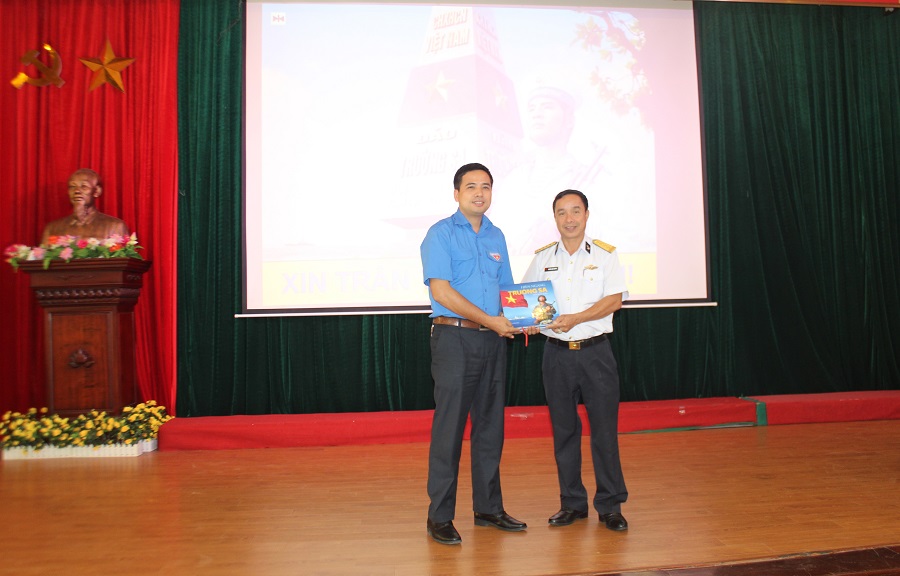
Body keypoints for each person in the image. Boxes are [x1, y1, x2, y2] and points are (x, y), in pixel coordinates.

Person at [420, 162, 527, 545]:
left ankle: (488, 509)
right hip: (455, 339)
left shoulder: (496, 235)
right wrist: (491, 320)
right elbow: (442, 292)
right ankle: (440, 516)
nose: (479, 193)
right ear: (456, 193)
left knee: (490, 428)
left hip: (493, 341)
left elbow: (508, 291)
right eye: (471, 187)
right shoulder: (441, 234)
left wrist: (526, 318)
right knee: (449, 430)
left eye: (486, 186)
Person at [521, 189, 630, 532]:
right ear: (554, 218)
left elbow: (614, 300)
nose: (569, 219)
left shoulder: (605, 255)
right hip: (556, 356)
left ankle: (610, 506)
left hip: (596, 353)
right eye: (562, 212)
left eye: (575, 211)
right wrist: (528, 322)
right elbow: (525, 302)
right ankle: (572, 503)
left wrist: (577, 319)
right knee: (564, 431)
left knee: (604, 433)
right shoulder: (542, 258)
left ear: (586, 215)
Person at [40, 168, 129, 245]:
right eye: (72, 186)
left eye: (84, 187)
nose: (77, 191)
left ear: (96, 191)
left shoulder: (115, 226)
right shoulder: (53, 229)